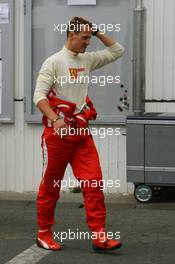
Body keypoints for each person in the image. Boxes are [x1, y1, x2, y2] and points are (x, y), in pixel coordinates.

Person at [33, 16, 125, 251]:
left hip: (81, 135)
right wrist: (56, 120)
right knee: (51, 186)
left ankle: (99, 236)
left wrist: (96, 31)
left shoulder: (87, 60)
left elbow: (117, 50)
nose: (88, 42)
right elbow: (39, 98)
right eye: (84, 38)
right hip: (58, 137)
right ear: (70, 35)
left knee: (93, 184)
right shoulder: (53, 62)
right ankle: (44, 233)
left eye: (89, 37)